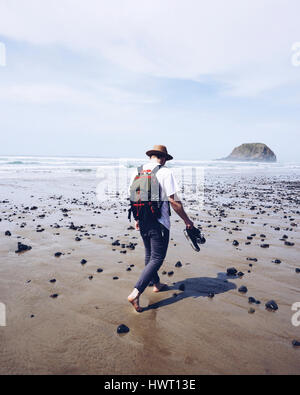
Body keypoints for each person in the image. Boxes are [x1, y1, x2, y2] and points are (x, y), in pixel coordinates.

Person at [127, 145, 194, 312]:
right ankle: (136, 292)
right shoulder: (165, 172)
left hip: (142, 219)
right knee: (157, 258)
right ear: (163, 158)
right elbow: (174, 202)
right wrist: (187, 221)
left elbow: (134, 198)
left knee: (149, 255)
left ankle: (156, 284)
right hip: (159, 223)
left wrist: (137, 218)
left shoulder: (137, 172)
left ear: (151, 156)